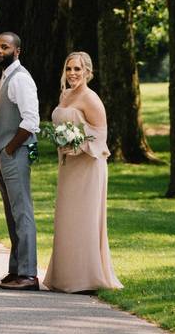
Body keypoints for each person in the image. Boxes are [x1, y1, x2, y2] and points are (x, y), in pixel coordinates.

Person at [43, 52, 122, 293]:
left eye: (77, 69)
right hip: (68, 167)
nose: (72, 74)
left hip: (88, 166)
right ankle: (64, 276)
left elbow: (100, 136)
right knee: (67, 218)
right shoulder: (64, 95)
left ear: (87, 72)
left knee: (85, 218)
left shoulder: (91, 99)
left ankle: (86, 278)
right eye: (69, 69)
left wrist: (79, 147)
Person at [0, 32, 41, 291]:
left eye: (5, 47)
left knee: (22, 213)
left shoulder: (20, 79)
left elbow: (31, 120)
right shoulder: (5, 76)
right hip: (5, 154)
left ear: (17, 51)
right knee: (12, 214)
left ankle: (29, 274)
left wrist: (9, 149)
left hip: (16, 153)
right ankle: (16, 269)